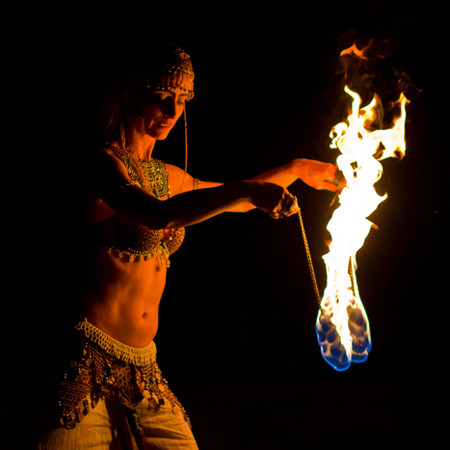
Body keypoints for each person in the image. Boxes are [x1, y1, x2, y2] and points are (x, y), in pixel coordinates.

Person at [37, 42, 338, 449]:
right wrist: (245, 190)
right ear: (129, 92)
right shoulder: (100, 165)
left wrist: (297, 169)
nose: (172, 110)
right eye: (161, 95)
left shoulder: (167, 176)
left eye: (181, 100)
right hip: (81, 362)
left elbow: (233, 199)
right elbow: (160, 215)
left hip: (145, 369)